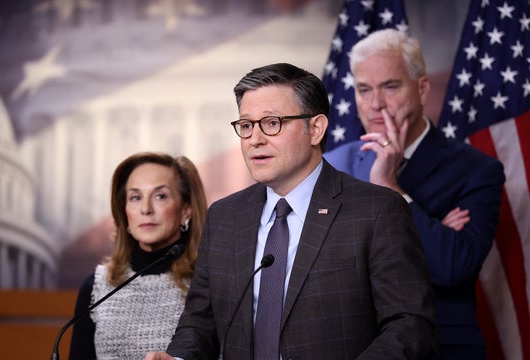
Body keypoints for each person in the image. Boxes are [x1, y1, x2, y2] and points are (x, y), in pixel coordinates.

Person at [145, 63, 437, 360]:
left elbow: (410, 325)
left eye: (272, 123)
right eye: (246, 126)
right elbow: (199, 323)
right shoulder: (224, 217)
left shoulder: (375, 211)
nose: (255, 139)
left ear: (316, 129)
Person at [324, 29, 506, 359]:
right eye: (364, 90)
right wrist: (433, 231)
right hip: (353, 349)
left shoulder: (477, 170)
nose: (375, 104)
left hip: (441, 350)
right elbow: (321, 268)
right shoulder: (333, 166)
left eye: (390, 86)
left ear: (422, 89)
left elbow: (452, 266)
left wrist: (391, 189)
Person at [68, 152, 208, 360]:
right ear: (124, 212)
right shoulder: (96, 287)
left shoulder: (208, 284)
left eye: (160, 196)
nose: (145, 209)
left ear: (186, 210)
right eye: (135, 197)